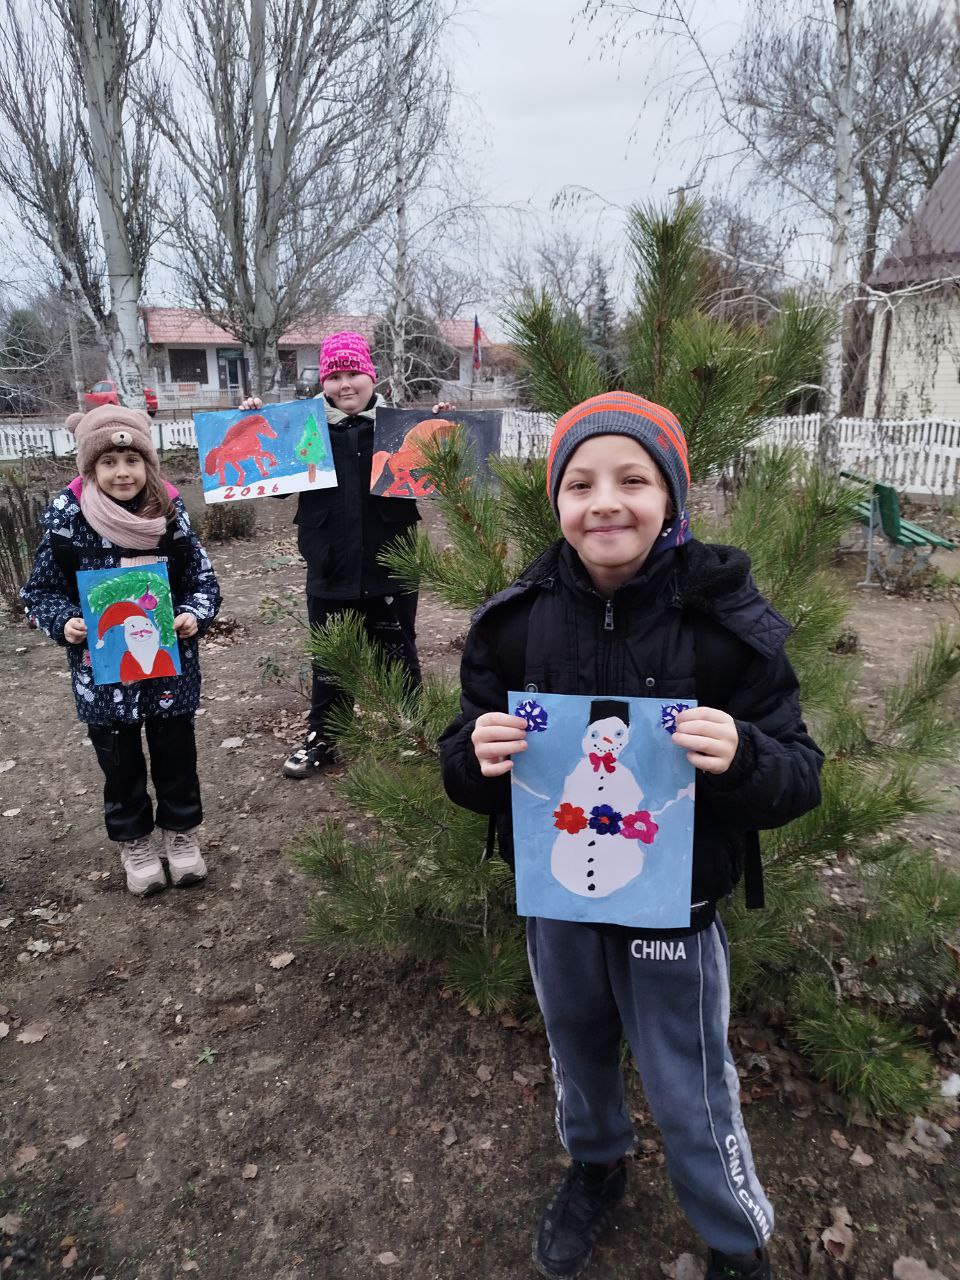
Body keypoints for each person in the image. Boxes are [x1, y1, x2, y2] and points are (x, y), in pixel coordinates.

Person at [437, 391, 823, 1280]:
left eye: (632, 479)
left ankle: (734, 1240)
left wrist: (743, 753)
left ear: (672, 496)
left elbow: (799, 775)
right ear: (556, 502)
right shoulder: (516, 622)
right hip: (559, 900)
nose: (604, 500)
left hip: (674, 905)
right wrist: (476, 757)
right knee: (575, 1040)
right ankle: (598, 1165)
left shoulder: (726, 626)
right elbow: (465, 768)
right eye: (579, 482)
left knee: (687, 1081)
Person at [22, 404, 221, 897]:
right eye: (108, 462)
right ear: (90, 468)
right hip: (102, 670)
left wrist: (193, 613)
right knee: (120, 761)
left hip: (168, 668)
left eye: (131, 460)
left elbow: (203, 579)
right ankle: (134, 840)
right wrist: (63, 621)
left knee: (175, 753)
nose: (122, 472)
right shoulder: (67, 522)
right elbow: (40, 590)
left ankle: (180, 835)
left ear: (147, 464)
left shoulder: (170, 515)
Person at [240, 331, 451, 779]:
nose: (345, 384)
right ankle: (325, 738)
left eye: (354, 373)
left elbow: (443, 471)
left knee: (398, 649)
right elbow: (272, 485)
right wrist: (258, 424)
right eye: (334, 375)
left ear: (372, 376)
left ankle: (411, 728)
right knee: (332, 658)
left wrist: (438, 426)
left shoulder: (397, 429)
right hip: (329, 564)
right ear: (324, 382)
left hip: (390, 565)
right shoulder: (304, 430)